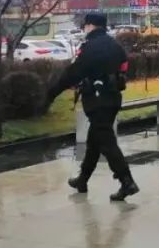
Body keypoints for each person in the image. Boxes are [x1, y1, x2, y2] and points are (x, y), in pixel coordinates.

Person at [48, 12, 139, 201]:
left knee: (106, 142)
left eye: (85, 25)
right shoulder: (115, 45)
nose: (84, 28)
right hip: (113, 99)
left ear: (90, 26)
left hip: (97, 101)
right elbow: (124, 68)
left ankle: (126, 180)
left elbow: (72, 73)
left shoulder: (89, 47)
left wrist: (51, 93)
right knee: (94, 141)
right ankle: (83, 179)